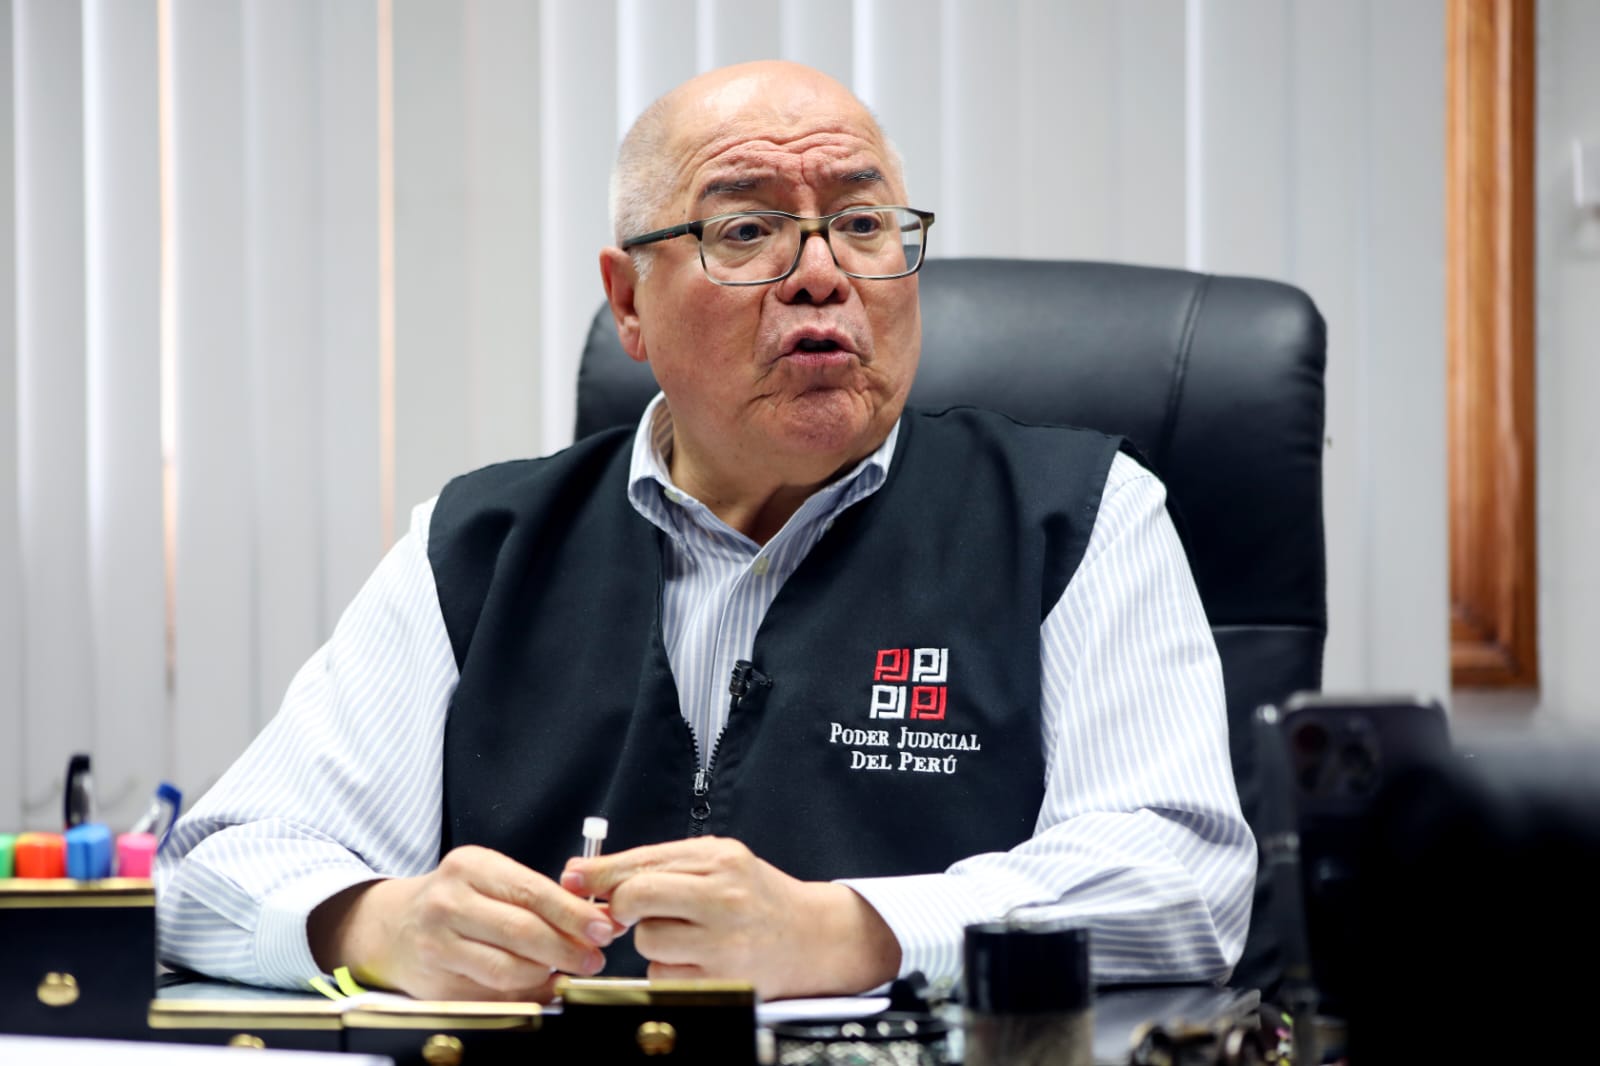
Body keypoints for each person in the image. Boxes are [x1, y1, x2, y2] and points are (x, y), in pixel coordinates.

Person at [156, 60, 1255, 1004]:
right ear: (629, 302)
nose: (822, 274)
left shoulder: (1074, 516)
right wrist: (372, 923)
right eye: (747, 230)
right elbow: (212, 868)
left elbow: (1182, 877)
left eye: (863, 224)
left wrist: (854, 932)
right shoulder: (481, 546)